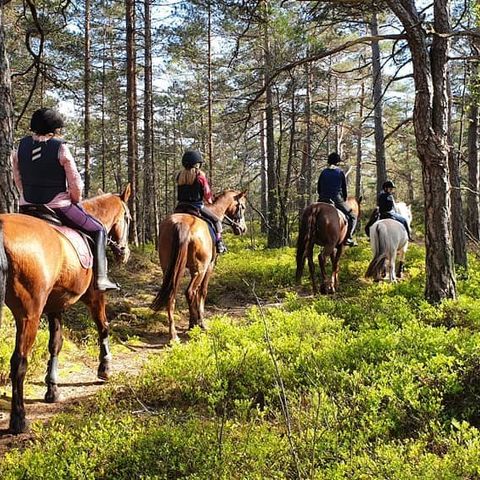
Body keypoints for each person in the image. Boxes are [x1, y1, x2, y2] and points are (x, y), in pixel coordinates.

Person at [12, 107, 119, 292]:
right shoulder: (60, 148)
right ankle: (101, 278)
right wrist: (75, 200)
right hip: (58, 206)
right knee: (99, 229)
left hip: (27, 207)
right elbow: (75, 182)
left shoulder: (21, 147)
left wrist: (26, 195)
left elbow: (17, 177)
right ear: (54, 129)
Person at [176, 150, 227, 254]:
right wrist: (209, 200)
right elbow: (208, 196)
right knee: (217, 221)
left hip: (180, 207)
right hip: (196, 206)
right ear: (197, 164)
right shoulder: (200, 176)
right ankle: (219, 243)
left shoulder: (179, 176)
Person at [317, 152, 357, 246]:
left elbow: (319, 188)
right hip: (336, 198)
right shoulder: (340, 172)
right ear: (337, 162)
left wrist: (322, 197)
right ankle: (348, 238)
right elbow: (344, 189)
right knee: (353, 216)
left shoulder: (323, 172)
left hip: (322, 199)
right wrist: (344, 199)